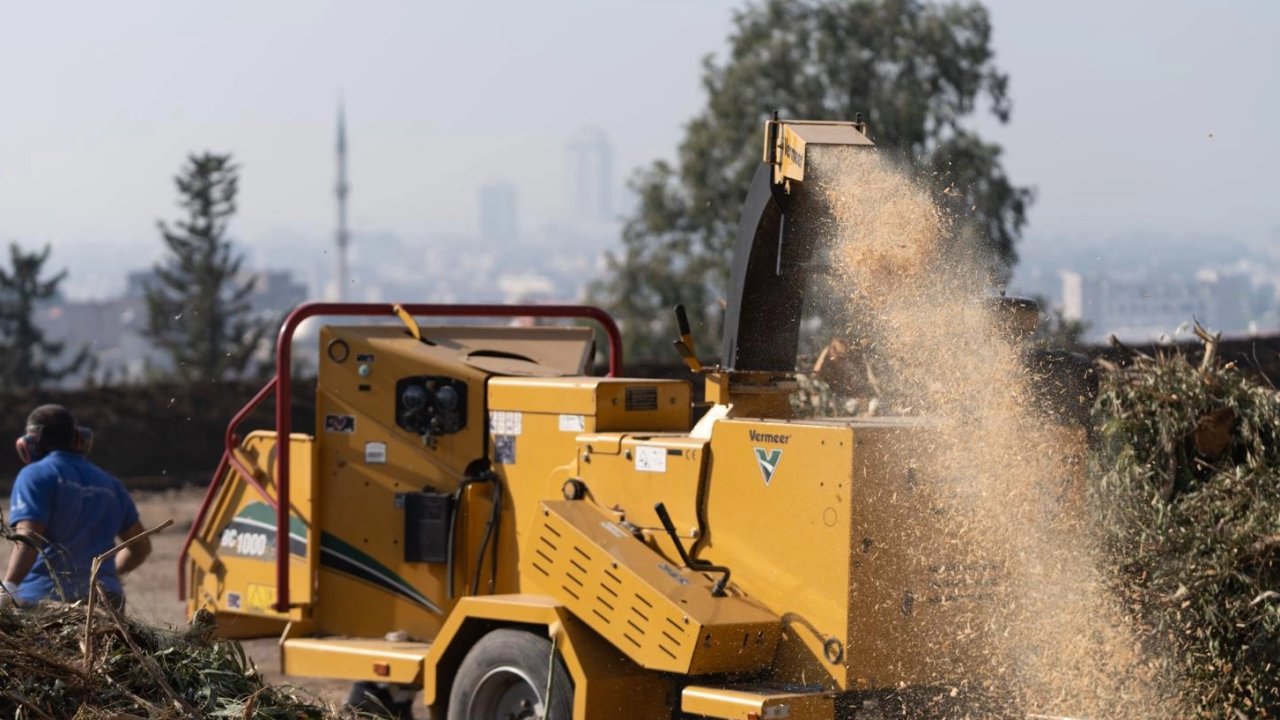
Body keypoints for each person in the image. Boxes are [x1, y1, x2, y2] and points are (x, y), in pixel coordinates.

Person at [1, 404, 150, 609]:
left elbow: (28, 537)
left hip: (47, 604)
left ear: (31, 443)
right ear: (78, 438)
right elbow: (140, 547)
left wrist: (9, 585)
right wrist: (106, 577)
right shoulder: (111, 484)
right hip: (107, 603)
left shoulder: (34, 475)